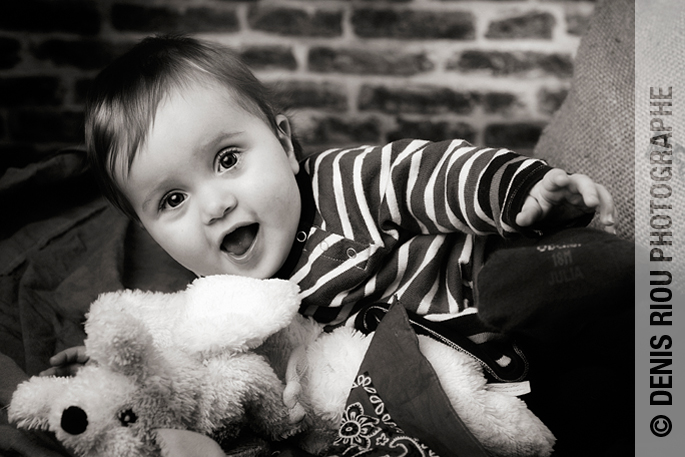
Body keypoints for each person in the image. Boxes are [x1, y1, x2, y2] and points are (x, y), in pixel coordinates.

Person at [42, 35, 626, 455]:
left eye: (227, 160)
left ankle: (610, 280)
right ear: (148, 230)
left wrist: (517, 189)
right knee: (586, 412)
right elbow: (188, 362)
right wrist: (113, 365)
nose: (214, 205)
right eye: (172, 201)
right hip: (471, 387)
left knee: (556, 282)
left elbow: (429, 172)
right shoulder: (222, 301)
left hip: (487, 287)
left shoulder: (340, 183)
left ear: (284, 144)